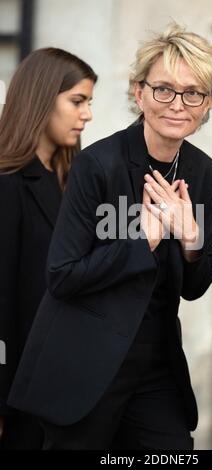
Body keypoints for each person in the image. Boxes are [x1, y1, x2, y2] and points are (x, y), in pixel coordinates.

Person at [8, 23, 212, 450]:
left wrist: (193, 241)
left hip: (157, 370)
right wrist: (142, 241)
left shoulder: (202, 172)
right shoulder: (97, 165)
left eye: (193, 92)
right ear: (139, 93)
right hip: (85, 369)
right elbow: (63, 275)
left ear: (208, 102)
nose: (177, 104)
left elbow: (195, 288)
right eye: (163, 89)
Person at [0, 47, 97, 449]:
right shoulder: (7, 181)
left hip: (70, 393)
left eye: (89, 103)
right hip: (20, 395)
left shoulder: (75, 182)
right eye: (77, 101)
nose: (87, 115)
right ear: (42, 98)